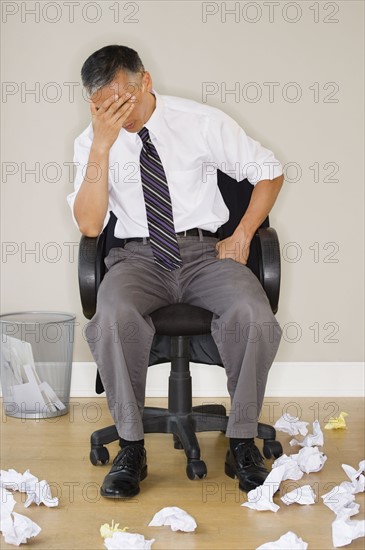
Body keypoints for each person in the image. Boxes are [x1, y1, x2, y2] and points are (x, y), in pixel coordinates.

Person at [67, 45, 284, 499]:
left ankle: (241, 440)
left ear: (145, 82)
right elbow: (89, 224)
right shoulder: (91, 142)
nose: (120, 110)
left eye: (126, 96)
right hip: (137, 258)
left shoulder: (201, 121)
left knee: (254, 314)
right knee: (111, 317)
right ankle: (131, 446)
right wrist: (103, 146)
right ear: (94, 103)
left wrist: (244, 233)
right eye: (107, 102)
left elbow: (269, 171)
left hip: (205, 253)